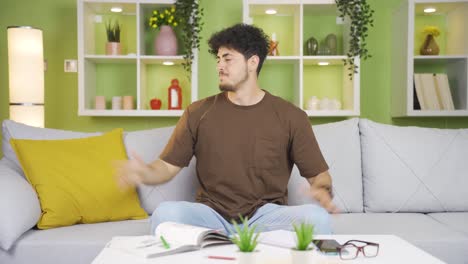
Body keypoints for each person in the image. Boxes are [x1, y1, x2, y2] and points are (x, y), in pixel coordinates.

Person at [117, 23, 336, 235]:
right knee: (165, 214)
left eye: (228, 59)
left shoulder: (291, 116)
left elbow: (319, 175)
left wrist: (322, 190)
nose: (220, 65)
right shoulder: (197, 112)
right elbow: (167, 166)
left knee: (318, 219)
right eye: (219, 58)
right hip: (211, 216)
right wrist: (145, 172)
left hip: (265, 217)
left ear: (252, 62)